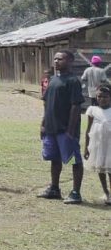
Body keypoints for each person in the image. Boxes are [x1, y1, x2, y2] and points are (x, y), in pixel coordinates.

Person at [39, 50, 85, 204]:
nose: (57, 61)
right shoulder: (52, 80)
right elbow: (47, 105)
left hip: (65, 130)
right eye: (55, 59)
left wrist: (71, 131)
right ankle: (54, 188)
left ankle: (75, 192)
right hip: (51, 129)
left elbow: (75, 106)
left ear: (70, 61)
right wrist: (43, 124)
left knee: (73, 160)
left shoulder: (73, 81)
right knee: (54, 158)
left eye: (61, 59)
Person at [83, 84, 111, 206]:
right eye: (99, 96)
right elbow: (88, 130)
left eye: (105, 96)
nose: (102, 99)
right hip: (98, 146)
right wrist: (86, 148)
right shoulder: (92, 110)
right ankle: (106, 192)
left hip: (110, 146)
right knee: (100, 169)